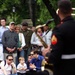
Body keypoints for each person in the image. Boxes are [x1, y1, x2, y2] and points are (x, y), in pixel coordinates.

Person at [43, 0, 75, 75]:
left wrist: (47, 54)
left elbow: (55, 56)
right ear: (71, 11)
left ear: (59, 12)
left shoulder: (59, 29)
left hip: (63, 68)